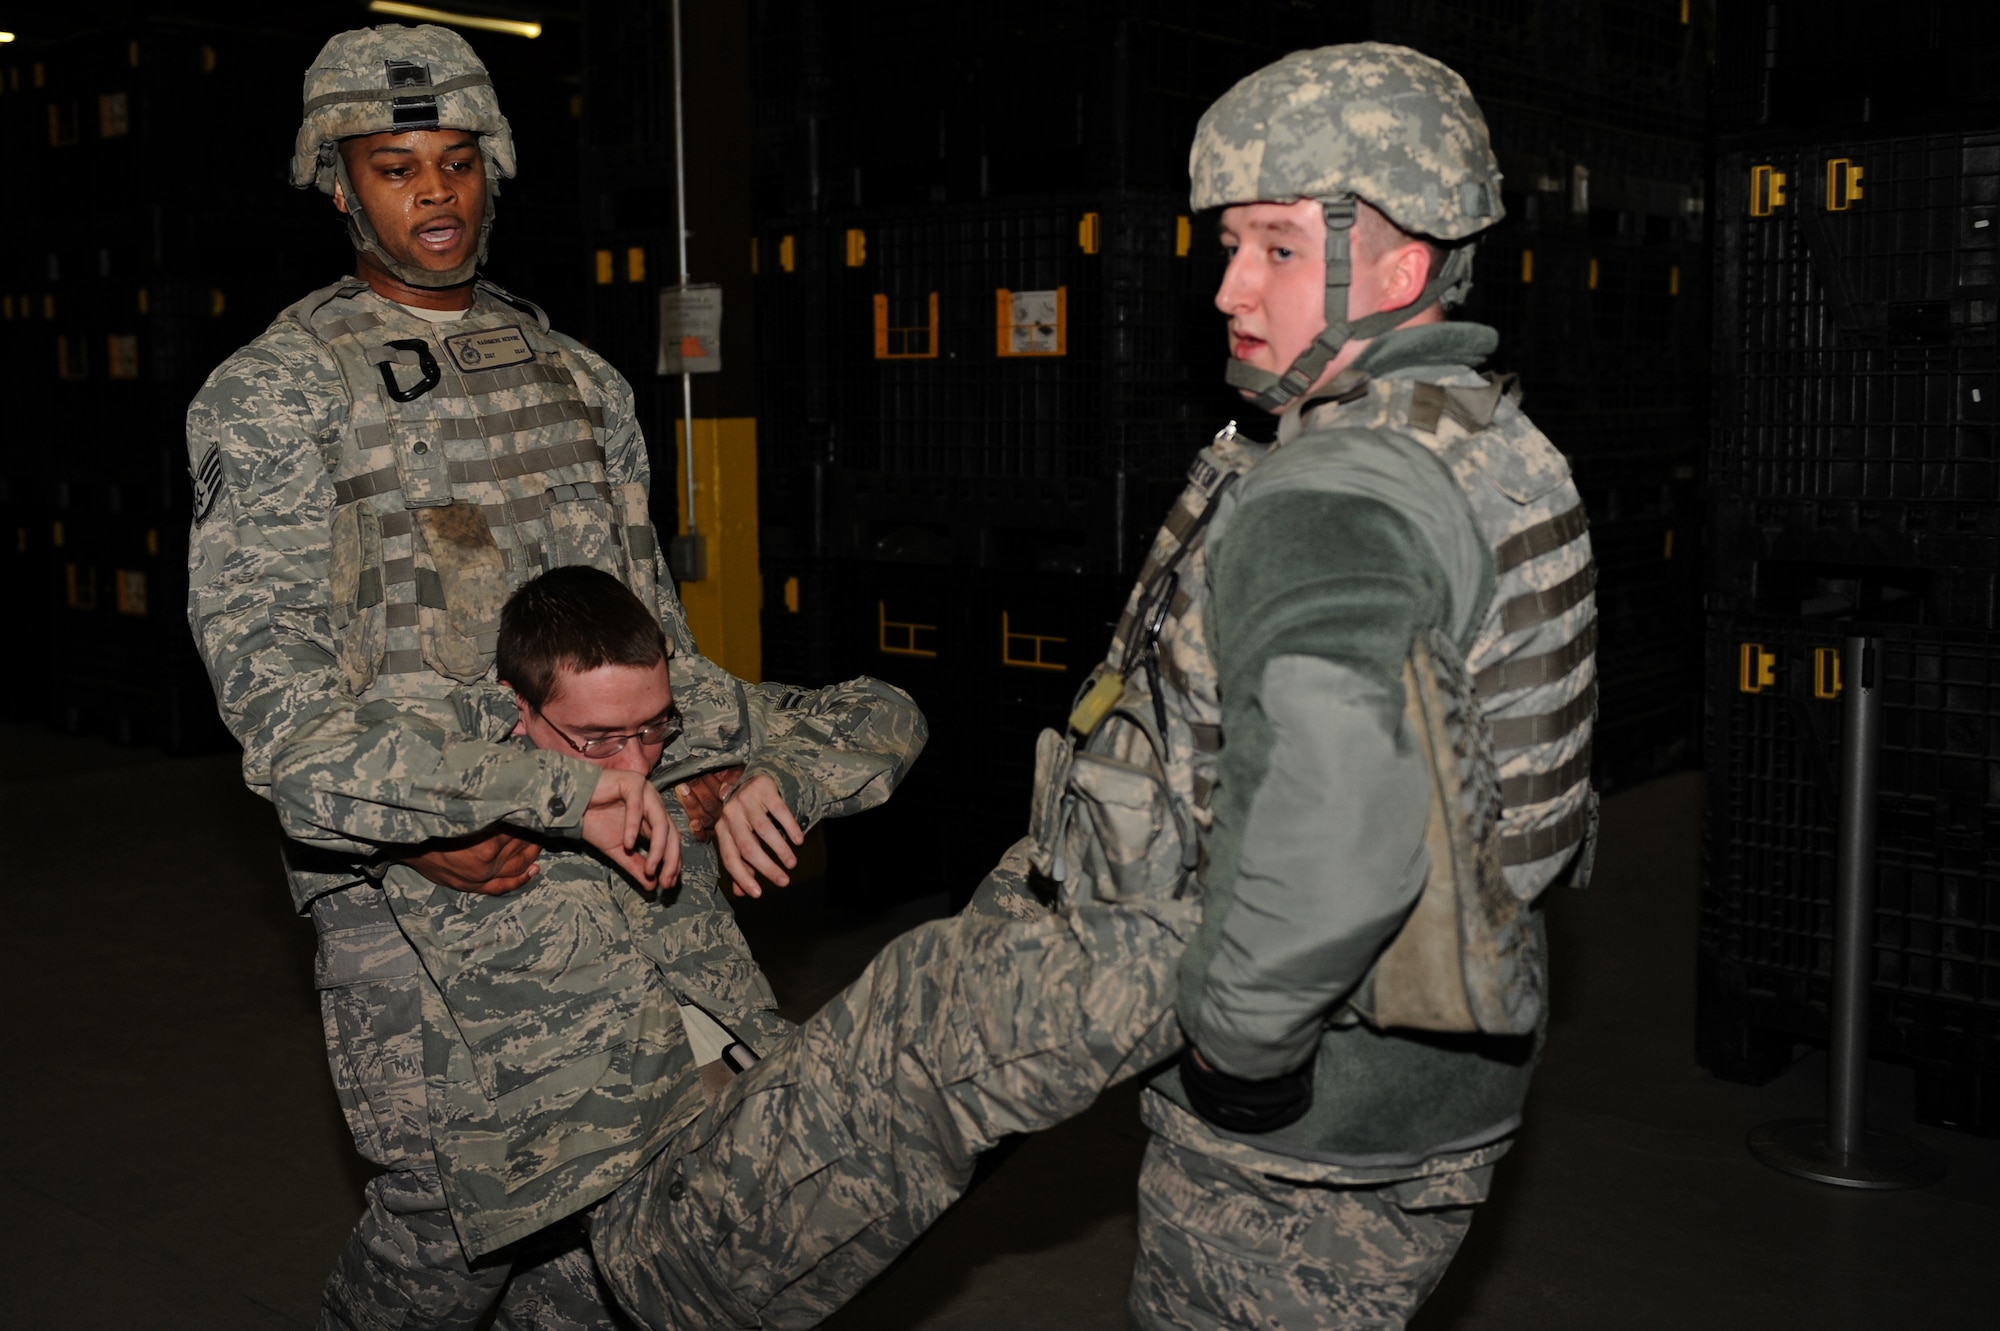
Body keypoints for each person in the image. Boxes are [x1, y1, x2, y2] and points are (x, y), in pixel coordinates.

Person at [183, 23, 915, 1328]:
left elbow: (649, 641)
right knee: (448, 1222)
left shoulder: (577, 380)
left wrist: (708, 766)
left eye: (459, 161)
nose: (435, 195)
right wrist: (434, 825)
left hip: (614, 850)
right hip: (408, 879)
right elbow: (278, 701)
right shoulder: (277, 395)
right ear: (336, 183)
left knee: (624, 1204)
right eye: (394, 164)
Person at [997, 44, 1598, 1329]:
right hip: (1447, 1090)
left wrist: (1237, 1046)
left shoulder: (1335, 489)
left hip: (1314, 1125)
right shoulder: (1489, 435)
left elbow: (1334, 820)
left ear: (1406, 262)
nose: (1227, 287)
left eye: (1274, 246)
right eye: (1226, 246)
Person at [270, 563, 1204, 1330]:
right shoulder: (439, 794)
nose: (634, 762)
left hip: (702, 1120)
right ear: (515, 709)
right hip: (530, 1169)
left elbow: (888, 711)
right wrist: (541, 800)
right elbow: (305, 779)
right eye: (597, 738)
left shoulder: (679, 740)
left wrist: (780, 778)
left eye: (652, 727)